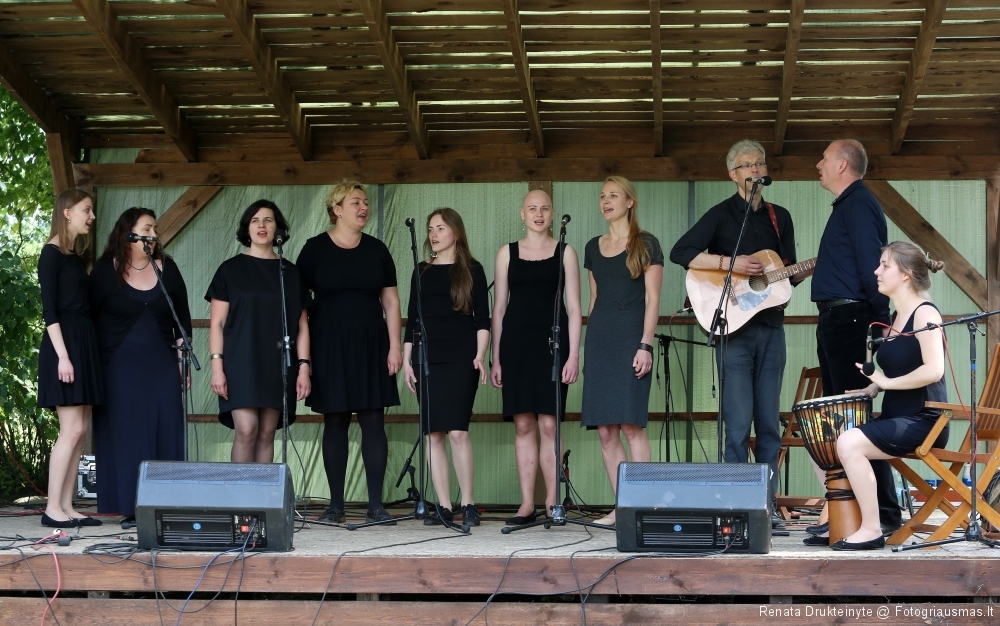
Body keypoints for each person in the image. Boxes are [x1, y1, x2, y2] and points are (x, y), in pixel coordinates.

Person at [669, 139, 804, 527]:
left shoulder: (780, 217)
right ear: (733, 174)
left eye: (759, 163)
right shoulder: (721, 215)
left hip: (771, 328)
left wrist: (797, 273)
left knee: (768, 425)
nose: (755, 169)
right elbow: (682, 252)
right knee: (738, 424)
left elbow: (790, 272)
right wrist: (729, 264)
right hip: (733, 333)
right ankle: (734, 507)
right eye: (747, 165)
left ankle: (765, 507)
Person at [810, 139, 902, 540]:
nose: (818, 165)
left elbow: (872, 266)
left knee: (852, 419)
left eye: (824, 159)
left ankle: (882, 513)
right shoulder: (847, 205)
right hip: (836, 318)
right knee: (841, 418)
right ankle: (847, 512)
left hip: (851, 318)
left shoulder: (860, 203)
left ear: (842, 165)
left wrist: (879, 323)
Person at [296, 180, 402, 525]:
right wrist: (305, 359)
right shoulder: (314, 249)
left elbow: (391, 301)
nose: (364, 207)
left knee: (373, 420)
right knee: (336, 420)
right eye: (356, 202)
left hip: (372, 342)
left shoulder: (377, 249)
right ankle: (335, 506)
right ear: (337, 209)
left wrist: (395, 346)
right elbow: (299, 306)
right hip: (328, 342)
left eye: (366, 202)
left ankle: (376, 506)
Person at [833, 242, 947, 550]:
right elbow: (903, 369)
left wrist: (886, 381)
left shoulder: (925, 313)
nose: (876, 271)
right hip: (899, 416)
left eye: (885, 266)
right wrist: (875, 387)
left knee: (849, 443)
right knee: (829, 436)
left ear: (906, 274)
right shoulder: (898, 316)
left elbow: (934, 370)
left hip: (925, 421)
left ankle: (871, 529)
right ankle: (839, 519)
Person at [90, 207, 192, 526]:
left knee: (167, 427)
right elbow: (87, 320)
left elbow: (182, 319)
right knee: (127, 433)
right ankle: (131, 507)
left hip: (162, 364)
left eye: (155, 229)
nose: (153, 235)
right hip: (118, 367)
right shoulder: (105, 271)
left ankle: (166, 504)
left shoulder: (167, 269)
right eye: (147, 229)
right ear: (128, 233)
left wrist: (182, 363)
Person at [491, 190, 582, 524]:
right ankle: (527, 503)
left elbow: (575, 308)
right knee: (523, 423)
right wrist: (495, 358)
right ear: (522, 213)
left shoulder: (565, 252)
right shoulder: (506, 253)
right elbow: (499, 308)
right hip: (515, 345)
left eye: (544, 208)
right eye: (532, 208)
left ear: (553, 213)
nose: (539, 214)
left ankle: (552, 503)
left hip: (552, 346)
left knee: (549, 424)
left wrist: (573, 355)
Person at [581, 176, 663, 526]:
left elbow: (653, 299)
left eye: (613, 195)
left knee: (631, 425)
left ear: (630, 202)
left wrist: (645, 344)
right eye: (602, 196)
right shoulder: (592, 247)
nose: (606, 201)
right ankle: (622, 508)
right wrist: (587, 348)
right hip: (600, 341)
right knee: (605, 430)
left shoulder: (647, 243)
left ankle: (640, 506)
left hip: (632, 339)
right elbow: (594, 300)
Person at [403, 208, 490, 527]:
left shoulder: (472, 269)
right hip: (427, 357)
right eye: (430, 229)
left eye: (440, 228)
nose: (433, 234)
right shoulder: (421, 271)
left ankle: (467, 502)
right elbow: (412, 319)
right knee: (433, 433)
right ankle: (443, 505)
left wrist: (480, 355)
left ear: (456, 231)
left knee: (457, 431)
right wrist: (407, 360)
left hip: (461, 356)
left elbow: (483, 319)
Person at [207, 200, 311, 463]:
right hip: (240, 361)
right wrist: (217, 367)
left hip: (277, 362)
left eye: (268, 220)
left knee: (266, 433)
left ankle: (262, 491)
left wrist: (304, 367)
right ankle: (239, 491)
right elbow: (217, 323)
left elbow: (302, 325)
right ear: (247, 228)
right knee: (246, 430)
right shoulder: (229, 270)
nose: (261, 225)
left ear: (278, 228)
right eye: (255, 220)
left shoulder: (291, 273)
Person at [37, 190, 103, 528]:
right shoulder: (50, 256)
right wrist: (63, 357)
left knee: (80, 429)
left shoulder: (74, 258)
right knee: (71, 428)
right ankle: (52, 508)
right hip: (64, 347)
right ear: (67, 213)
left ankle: (66, 505)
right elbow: (50, 312)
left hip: (83, 343)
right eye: (86, 210)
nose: (92, 216)